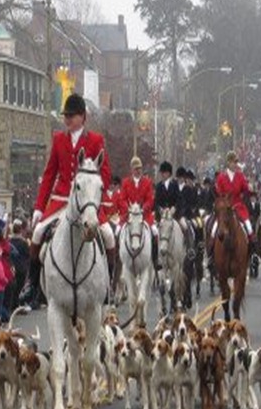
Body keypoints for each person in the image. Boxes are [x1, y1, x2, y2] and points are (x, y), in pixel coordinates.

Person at [21, 93, 115, 307]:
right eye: (66, 116)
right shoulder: (58, 139)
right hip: (61, 199)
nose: (67, 119)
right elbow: (49, 174)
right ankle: (31, 283)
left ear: (83, 117)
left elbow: (105, 174)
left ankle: (108, 285)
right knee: (38, 232)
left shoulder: (95, 140)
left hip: (86, 202)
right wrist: (39, 207)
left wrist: (94, 196)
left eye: (71, 116)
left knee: (109, 236)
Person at [120, 156, 159, 270]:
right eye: (136, 169)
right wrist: (128, 208)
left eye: (140, 168)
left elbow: (150, 200)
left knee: (155, 232)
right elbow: (122, 199)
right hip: (129, 215)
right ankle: (119, 262)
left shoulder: (147, 182)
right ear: (132, 169)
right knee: (117, 232)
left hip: (144, 215)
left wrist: (143, 209)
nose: (138, 171)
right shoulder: (126, 182)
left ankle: (155, 260)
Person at [214, 151, 254, 241]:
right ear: (228, 163)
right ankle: (210, 248)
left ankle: (252, 247)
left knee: (249, 227)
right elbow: (219, 192)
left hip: (238, 206)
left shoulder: (240, 176)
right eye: (233, 162)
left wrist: (249, 188)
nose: (235, 164)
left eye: (236, 162)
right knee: (214, 229)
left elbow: (245, 189)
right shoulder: (221, 177)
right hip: (224, 209)